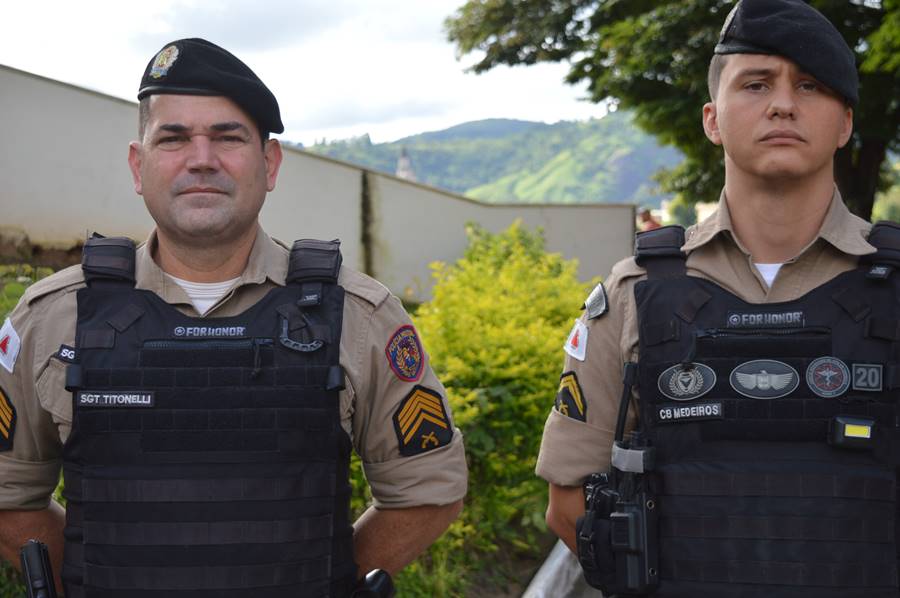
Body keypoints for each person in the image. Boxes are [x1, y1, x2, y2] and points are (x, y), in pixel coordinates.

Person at [0, 38, 466, 597]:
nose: (202, 158)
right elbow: (8, 497)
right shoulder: (50, 318)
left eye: (228, 137)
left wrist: (328, 582)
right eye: (173, 138)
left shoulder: (361, 316)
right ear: (137, 164)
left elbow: (426, 493)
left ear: (268, 163)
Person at [537, 1, 898, 596]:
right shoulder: (633, 294)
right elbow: (568, 501)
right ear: (712, 119)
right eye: (756, 84)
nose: (783, 103)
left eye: (810, 85)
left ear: (844, 124)